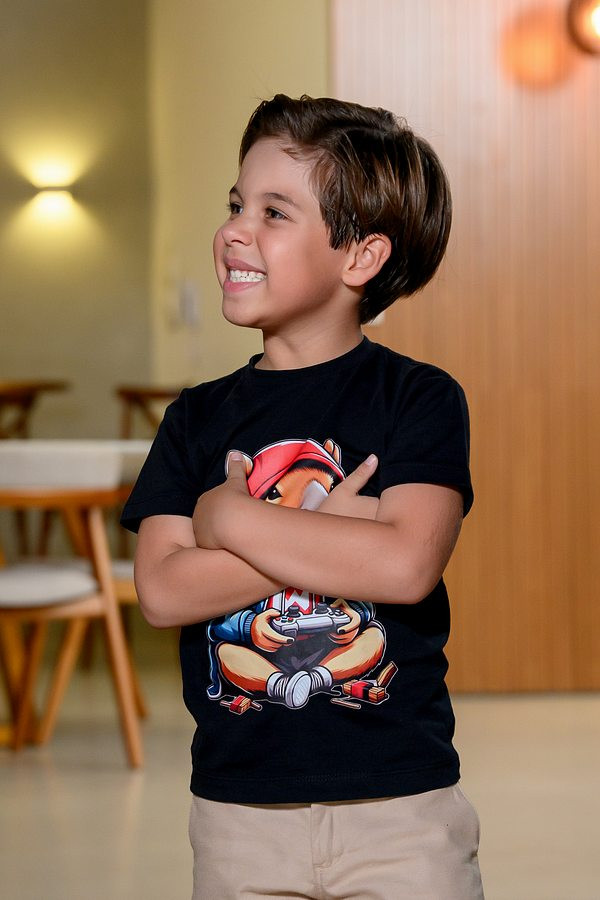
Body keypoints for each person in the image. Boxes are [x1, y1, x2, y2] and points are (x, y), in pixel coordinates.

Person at [121, 94, 484, 899]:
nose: (235, 231)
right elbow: (163, 590)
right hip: (238, 817)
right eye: (235, 205)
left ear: (360, 257)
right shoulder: (195, 419)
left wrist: (230, 519)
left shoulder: (419, 400)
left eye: (274, 212)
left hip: (401, 809)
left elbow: (405, 566)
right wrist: (323, 529)